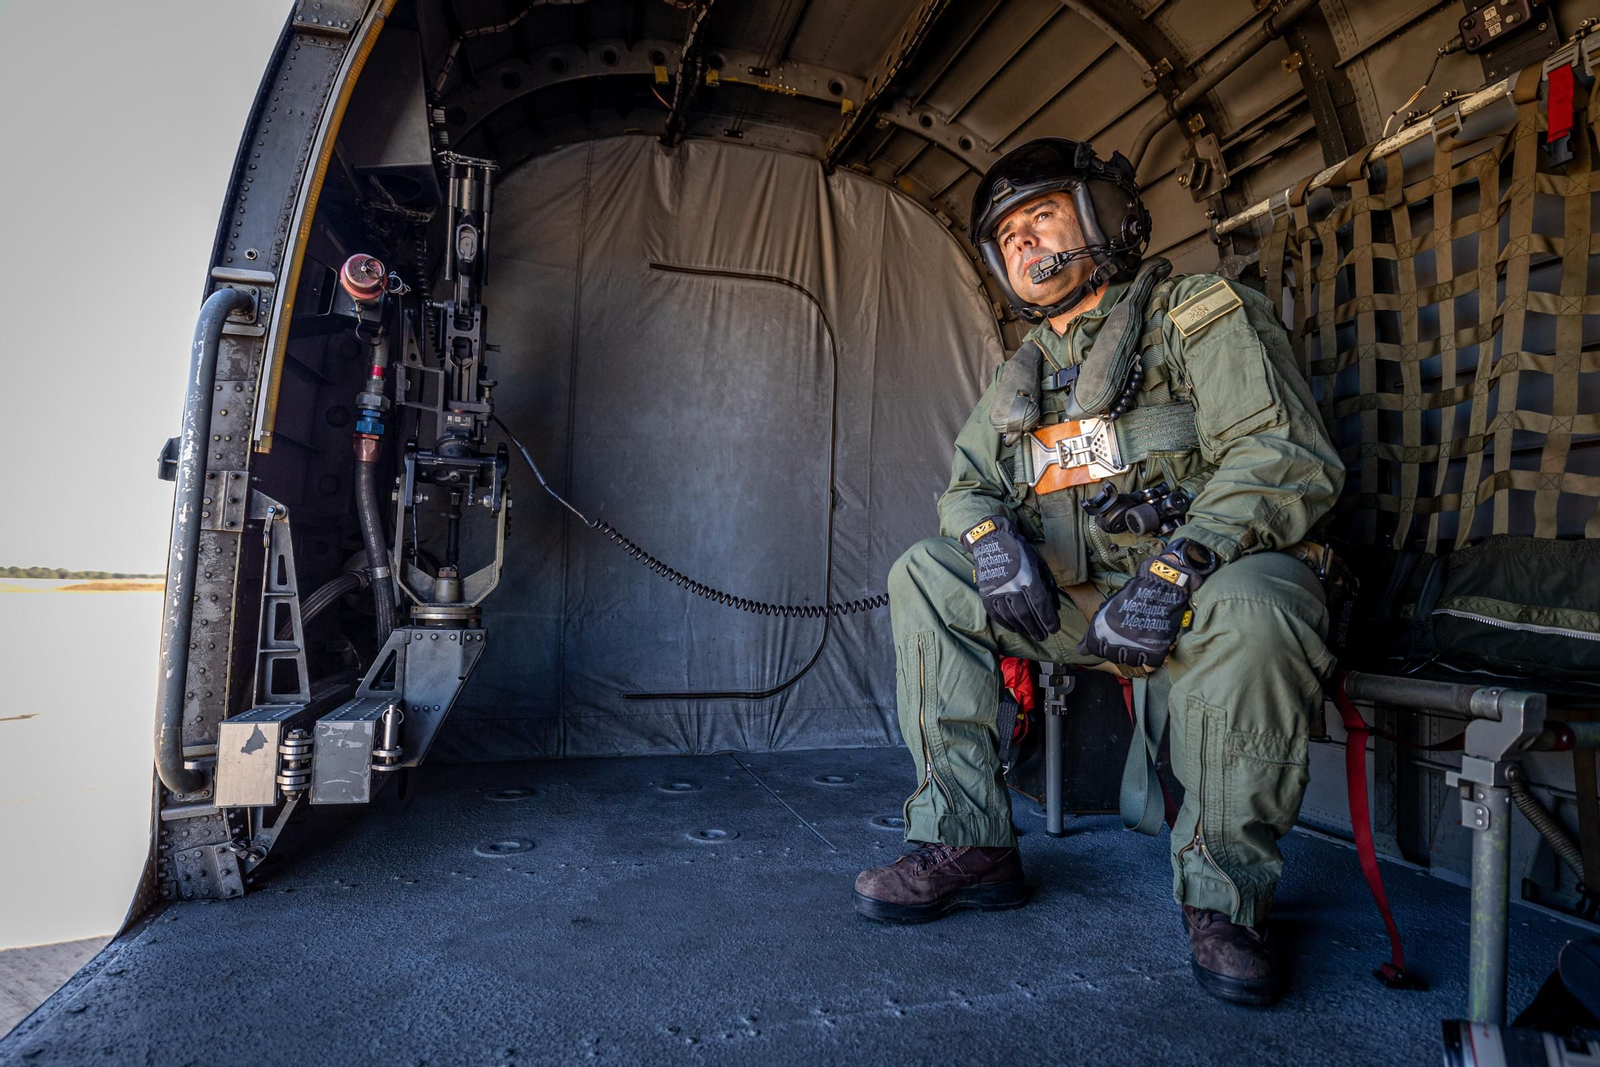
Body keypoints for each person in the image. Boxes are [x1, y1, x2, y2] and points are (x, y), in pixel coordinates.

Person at [851, 137, 1345, 1007]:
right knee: (925, 572)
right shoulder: (1022, 374)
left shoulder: (1200, 312)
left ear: (1102, 218)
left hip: (1203, 589)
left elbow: (1281, 453)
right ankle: (970, 839)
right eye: (1009, 240)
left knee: (1264, 608)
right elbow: (965, 488)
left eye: (1041, 219)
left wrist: (1176, 565)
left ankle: (1224, 900)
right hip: (1079, 603)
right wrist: (989, 545)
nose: (1028, 247)